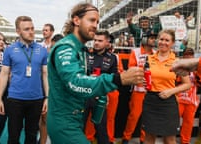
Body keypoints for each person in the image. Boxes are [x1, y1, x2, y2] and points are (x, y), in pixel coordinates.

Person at [46, 2, 144, 144]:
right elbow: (75, 82)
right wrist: (119, 79)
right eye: (91, 20)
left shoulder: (81, 49)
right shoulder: (66, 47)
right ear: (76, 20)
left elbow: (79, 82)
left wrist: (95, 89)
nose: (95, 25)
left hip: (74, 120)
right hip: (64, 123)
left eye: (97, 22)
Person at [0, 16, 48, 144]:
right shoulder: (9, 50)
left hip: (36, 99)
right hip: (15, 99)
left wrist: (47, 97)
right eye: (26, 29)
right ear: (18, 31)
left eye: (32, 28)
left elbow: (45, 74)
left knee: (31, 136)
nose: (31, 32)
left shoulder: (42, 50)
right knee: (13, 136)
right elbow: (3, 74)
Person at [141, 29, 191, 144]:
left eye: (167, 40)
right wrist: (143, 82)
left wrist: (171, 91)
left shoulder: (177, 62)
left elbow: (188, 84)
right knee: (148, 137)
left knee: (169, 139)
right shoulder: (148, 59)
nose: (163, 42)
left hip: (168, 102)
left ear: (172, 43)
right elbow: (145, 77)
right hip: (150, 101)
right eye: (161, 39)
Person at [122, 30, 157, 144]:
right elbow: (131, 69)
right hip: (138, 90)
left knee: (148, 117)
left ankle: (143, 139)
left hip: (152, 90)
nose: (153, 40)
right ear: (144, 39)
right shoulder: (135, 52)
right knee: (134, 116)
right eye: (151, 37)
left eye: (154, 38)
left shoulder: (156, 53)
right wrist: (144, 70)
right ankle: (126, 138)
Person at [84, 30, 118, 144]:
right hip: (85, 95)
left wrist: (106, 93)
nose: (96, 43)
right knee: (79, 126)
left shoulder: (112, 58)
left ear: (107, 42)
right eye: (95, 40)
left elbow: (114, 78)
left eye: (100, 41)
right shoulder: (86, 54)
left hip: (101, 97)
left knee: (102, 128)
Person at [176, 48, 201, 144]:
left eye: (190, 54)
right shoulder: (178, 66)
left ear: (193, 56)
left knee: (188, 122)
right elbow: (175, 81)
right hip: (180, 98)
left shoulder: (197, 68)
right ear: (183, 56)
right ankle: (170, 139)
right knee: (173, 120)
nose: (188, 56)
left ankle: (185, 141)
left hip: (191, 100)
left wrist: (195, 73)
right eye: (186, 54)